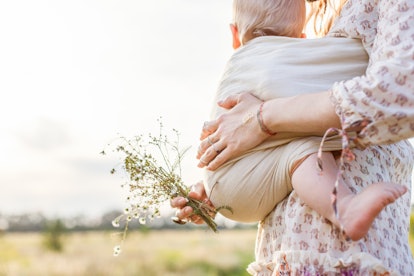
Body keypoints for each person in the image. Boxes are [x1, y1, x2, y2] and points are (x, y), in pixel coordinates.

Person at [172, 0, 414, 274]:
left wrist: (261, 119)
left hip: (346, 256)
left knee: (304, 146)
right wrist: (231, 171)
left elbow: (401, 90)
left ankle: (346, 207)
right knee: (302, 147)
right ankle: (344, 207)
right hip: (288, 253)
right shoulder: (315, 25)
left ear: (234, 34)